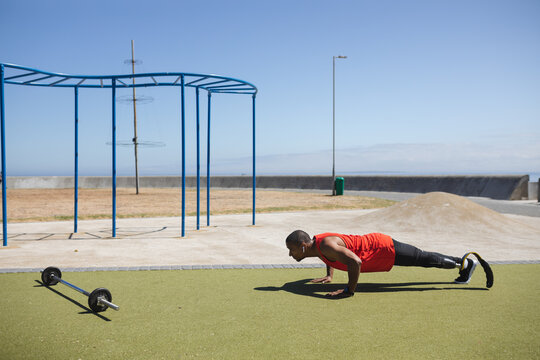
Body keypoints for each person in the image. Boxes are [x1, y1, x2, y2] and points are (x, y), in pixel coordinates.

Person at [285, 230, 492, 298]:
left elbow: (354, 262)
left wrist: (349, 289)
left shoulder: (326, 245)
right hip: (377, 248)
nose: (290, 254)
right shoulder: (318, 246)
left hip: (381, 248)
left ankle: (464, 264)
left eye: (291, 249)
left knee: (421, 259)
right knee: (421, 258)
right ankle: (463, 266)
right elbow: (331, 256)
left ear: (303, 246)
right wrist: (330, 275)